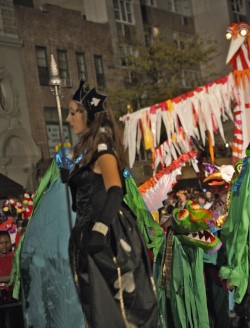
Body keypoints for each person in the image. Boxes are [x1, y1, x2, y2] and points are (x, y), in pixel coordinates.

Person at [65, 79, 157, 327]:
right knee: (96, 309)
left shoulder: (102, 148)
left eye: (73, 113)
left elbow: (115, 189)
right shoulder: (86, 151)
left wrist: (100, 229)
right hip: (88, 233)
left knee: (115, 312)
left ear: (87, 115)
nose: (68, 119)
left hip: (108, 238)